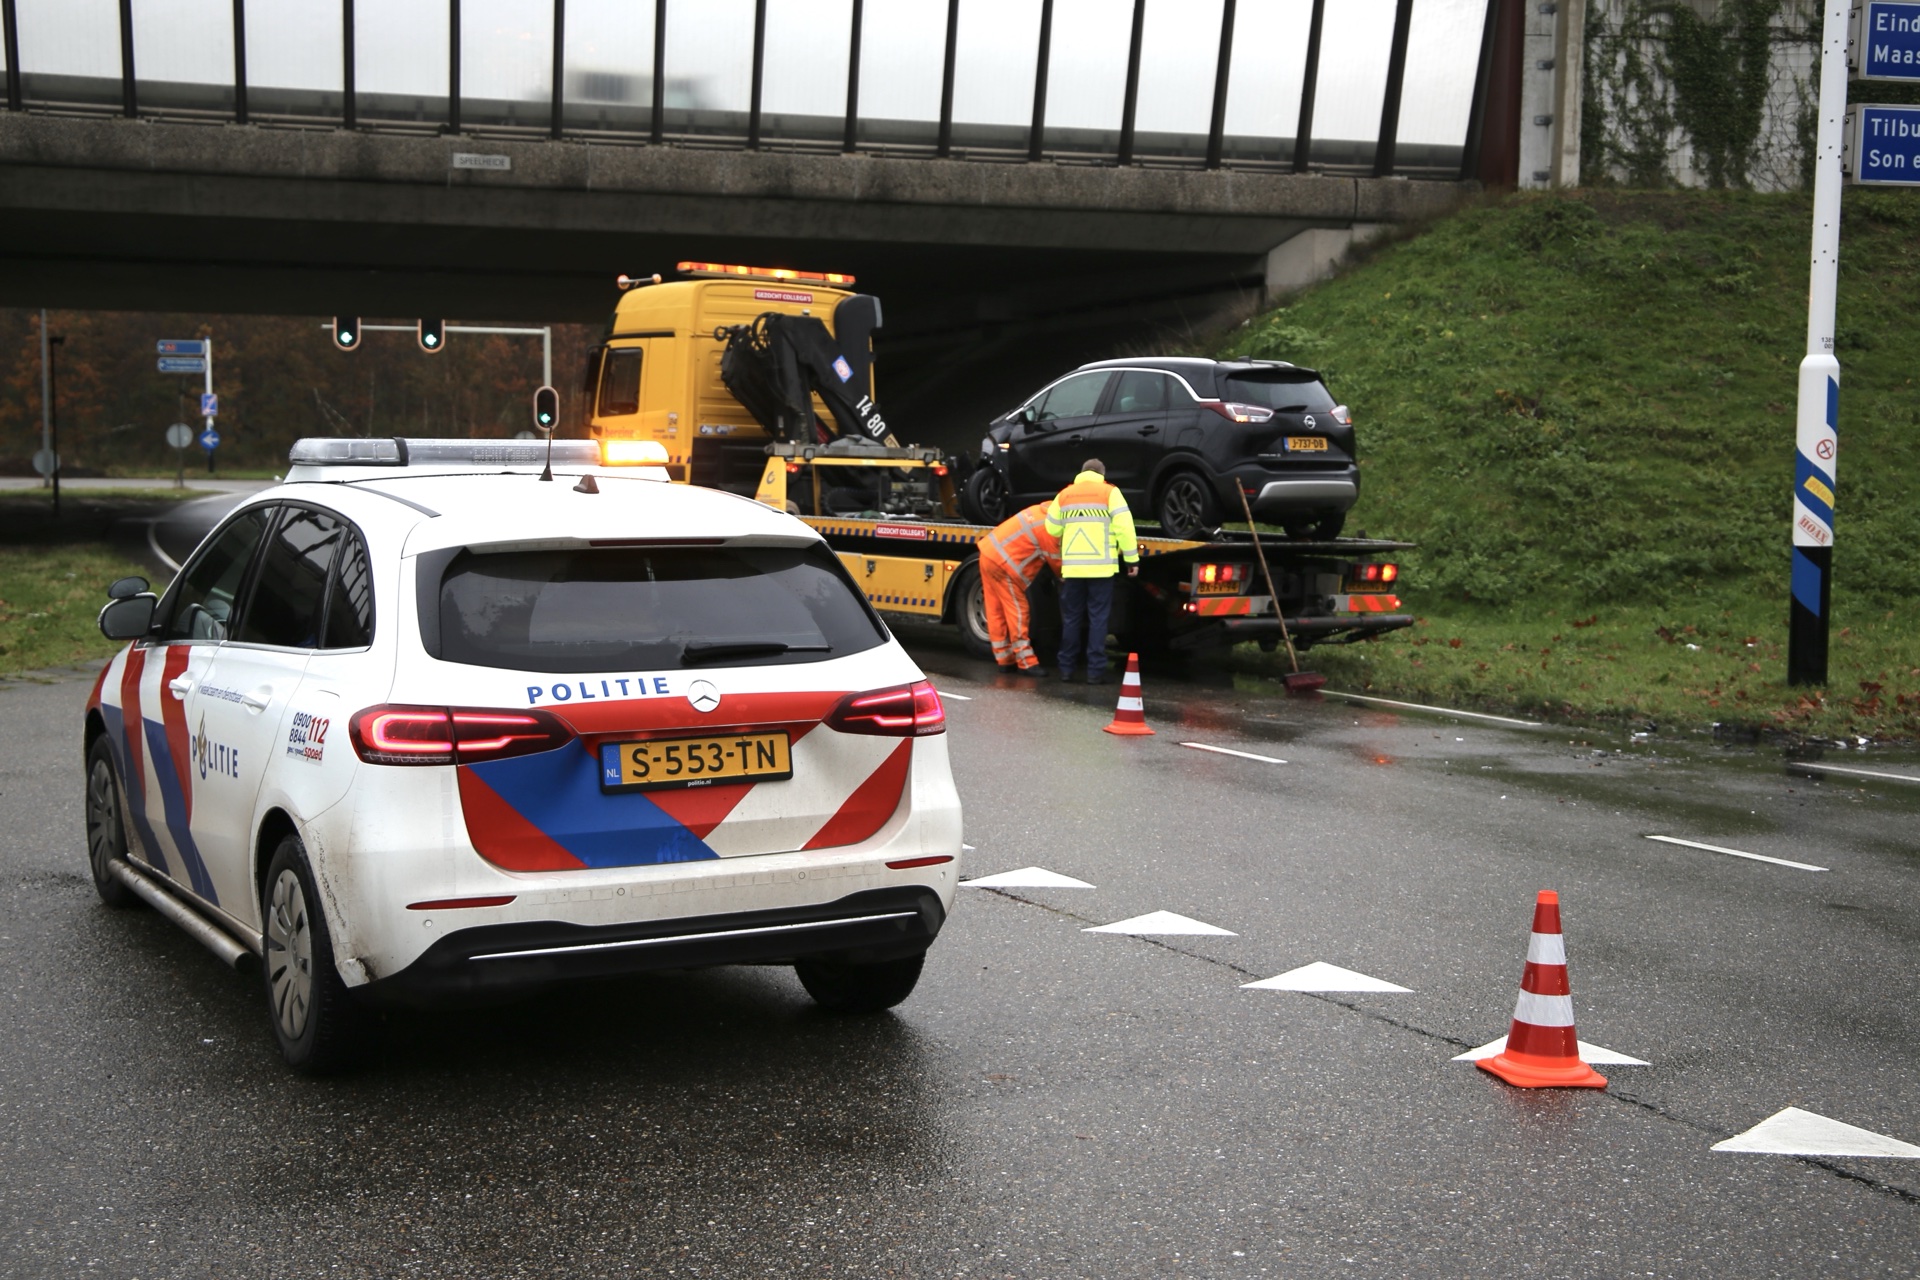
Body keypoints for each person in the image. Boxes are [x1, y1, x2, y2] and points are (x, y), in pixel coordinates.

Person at [1043, 458, 1138, 683]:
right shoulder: (1110, 493)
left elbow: (1051, 528)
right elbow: (1125, 527)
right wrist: (1131, 559)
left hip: (1073, 569)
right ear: (1102, 474)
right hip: (1101, 569)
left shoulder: (1065, 494)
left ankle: (1066, 669)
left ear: (1082, 472)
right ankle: (1095, 673)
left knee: (1072, 618)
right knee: (1098, 619)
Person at [975, 502, 1061, 675]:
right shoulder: (1048, 528)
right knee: (1019, 612)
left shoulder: (1039, 511)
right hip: (1004, 565)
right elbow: (1055, 561)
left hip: (988, 554)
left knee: (995, 610)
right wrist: (1064, 576)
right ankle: (1026, 662)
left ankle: (1004, 659)